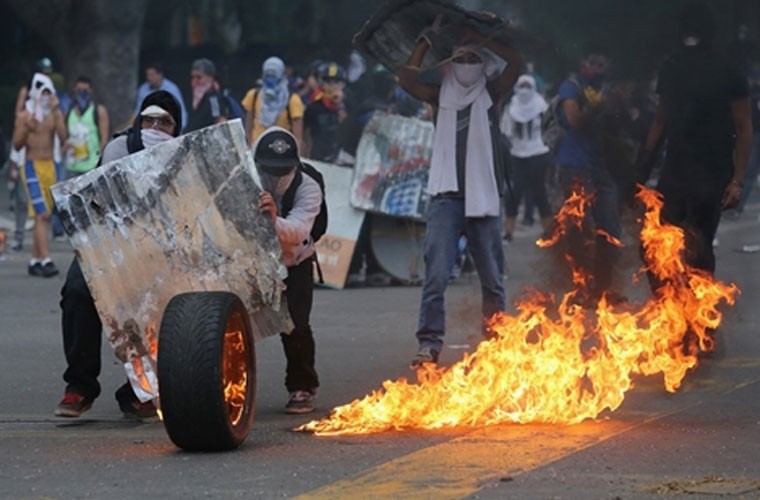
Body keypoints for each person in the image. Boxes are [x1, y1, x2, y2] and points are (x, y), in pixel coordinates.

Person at [398, 20, 523, 367]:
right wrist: (426, 39)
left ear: (483, 64)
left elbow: (517, 64)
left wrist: (481, 40)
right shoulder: (439, 94)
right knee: (436, 276)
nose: (467, 65)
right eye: (461, 58)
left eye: (473, 59)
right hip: (446, 198)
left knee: (493, 280)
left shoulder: (491, 92)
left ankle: (496, 342)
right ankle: (429, 344)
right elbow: (407, 79)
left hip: (483, 198)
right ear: (449, 64)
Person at [54, 90, 183, 419]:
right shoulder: (117, 149)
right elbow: (96, 201)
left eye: (164, 122)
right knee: (77, 293)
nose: (156, 126)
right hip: (104, 241)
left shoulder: (184, 157)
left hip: (154, 250)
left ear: (175, 128)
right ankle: (80, 387)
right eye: (149, 119)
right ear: (139, 121)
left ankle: (139, 391)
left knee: (161, 308)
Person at [638, 2, 752, 277]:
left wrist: (737, 180)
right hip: (681, 171)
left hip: (709, 173)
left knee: (695, 246)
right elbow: (661, 121)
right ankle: (672, 310)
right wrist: (641, 169)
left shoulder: (726, 70)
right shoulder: (674, 66)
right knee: (661, 242)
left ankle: (696, 315)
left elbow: (743, 125)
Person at [254, 127, 322, 414]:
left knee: (295, 325)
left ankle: (303, 385)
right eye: (270, 170)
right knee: (229, 325)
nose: (276, 177)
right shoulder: (247, 178)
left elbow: (298, 229)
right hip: (253, 261)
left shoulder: (308, 186)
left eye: (283, 170)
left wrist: (274, 220)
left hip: (295, 260)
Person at [554, 42, 622, 302]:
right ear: (584, 62)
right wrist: (597, 106)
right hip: (575, 167)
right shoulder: (571, 87)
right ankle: (579, 288)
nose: (597, 68)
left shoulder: (607, 89)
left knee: (610, 230)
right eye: (593, 63)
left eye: (602, 64)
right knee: (578, 232)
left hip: (601, 168)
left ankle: (601, 289)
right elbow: (573, 120)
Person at [12, 73, 67, 278]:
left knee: (41, 218)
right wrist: (27, 128)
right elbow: (17, 144)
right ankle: (46, 259)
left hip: (50, 166)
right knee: (42, 214)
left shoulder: (53, 113)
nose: (44, 96)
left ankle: (34, 260)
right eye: (42, 92)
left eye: (48, 92)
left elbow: (63, 137)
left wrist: (57, 112)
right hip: (31, 166)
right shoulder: (25, 114)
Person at [500, 74, 553, 241]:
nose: (524, 91)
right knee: (514, 193)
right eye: (521, 86)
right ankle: (509, 232)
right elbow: (506, 129)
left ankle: (549, 230)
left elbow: (550, 127)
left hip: (538, 151)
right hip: (517, 152)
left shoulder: (541, 105)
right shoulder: (512, 106)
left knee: (539, 192)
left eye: (527, 87)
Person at [242, 56, 305, 147]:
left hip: (282, 151)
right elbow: (248, 127)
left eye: (274, 75)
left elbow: (298, 137)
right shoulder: (253, 96)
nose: (270, 79)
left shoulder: (292, 100)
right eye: (268, 75)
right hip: (256, 149)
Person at [65, 76, 110, 178]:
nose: (82, 93)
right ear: (75, 90)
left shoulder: (98, 111)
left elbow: (104, 139)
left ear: (90, 90)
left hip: (91, 166)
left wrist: (99, 162)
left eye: (85, 90)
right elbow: (65, 136)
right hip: (72, 166)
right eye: (79, 90)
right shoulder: (69, 112)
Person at [303, 62, 348, 162]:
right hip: (317, 157)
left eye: (336, 82)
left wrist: (339, 106)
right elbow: (306, 135)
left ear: (343, 85)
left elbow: (348, 129)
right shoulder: (314, 107)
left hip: (342, 158)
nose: (332, 86)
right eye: (328, 82)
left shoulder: (349, 104)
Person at [134, 62, 187, 129]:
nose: (149, 78)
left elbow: (181, 111)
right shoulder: (143, 89)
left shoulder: (172, 89)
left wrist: (179, 129)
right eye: (147, 75)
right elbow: (138, 110)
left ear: (160, 75)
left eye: (152, 75)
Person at [184, 58, 230, 133]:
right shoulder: (194, 97)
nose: (195, 81)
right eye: (193, 77)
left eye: (199, 77)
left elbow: (220, 122)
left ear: (210, 78)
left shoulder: (214, 98)